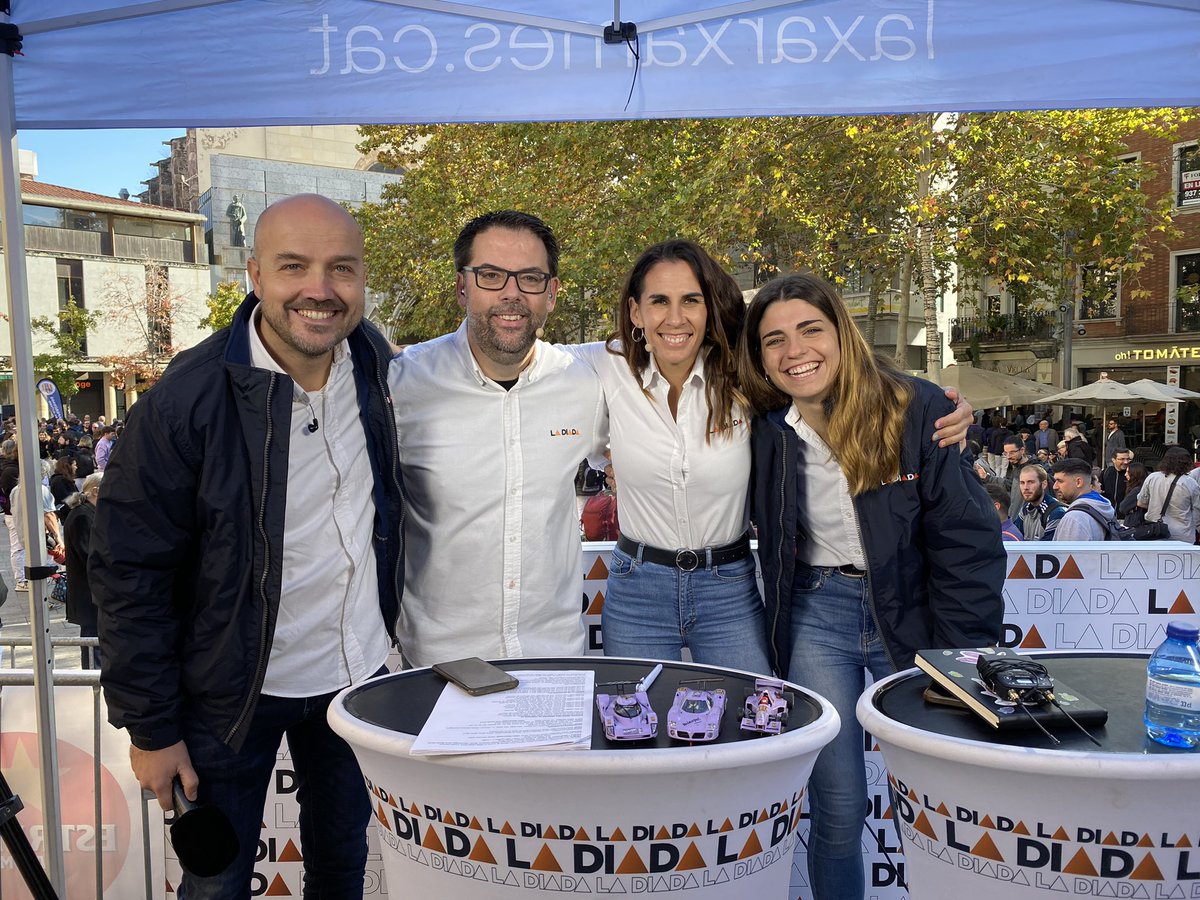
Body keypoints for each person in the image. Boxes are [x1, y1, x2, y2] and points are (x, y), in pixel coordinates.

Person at [91, 193, 406, 898]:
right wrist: (151, 728)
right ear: (255, 275)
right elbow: (129, 571)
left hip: (351, 681)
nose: (319, 290)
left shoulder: (376, 365)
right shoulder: (185, 402)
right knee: (215, 885)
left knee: (342, 871)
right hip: (225, 697)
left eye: (341, 269)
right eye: (294, 266)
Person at [738, 273, 1004, 900]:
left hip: (911, 617)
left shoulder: (918, 409)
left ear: (842, 333)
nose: (793, 350)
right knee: (837, 805)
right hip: (815, 615)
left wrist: (963, 660)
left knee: (948, 801)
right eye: (773, 339)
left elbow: (967, 545)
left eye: (810, 329)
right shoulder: (763, 427)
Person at [390, 210, 605, 667]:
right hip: (438, 660)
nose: (511, 294)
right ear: (461, 286)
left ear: (551, 293)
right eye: (491, 275)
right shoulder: (402, 383)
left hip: (555, 654)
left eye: (529, 278)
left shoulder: (586, 380)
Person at [64, 472, 102, 668]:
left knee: (96, 642)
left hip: (92, 592)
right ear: (95, 491)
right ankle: (91, 683)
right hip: (87, 593)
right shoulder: (82, 515)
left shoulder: (88, 512)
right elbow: (90, 555)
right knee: (91, 643)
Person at [1136, 446, 1200, 544]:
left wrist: (1155, 505)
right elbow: (1197, 512)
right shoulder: (1190, 482)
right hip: (1182, 534)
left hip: (1155, 531)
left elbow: (1141, 503)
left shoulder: (1152, 477)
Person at [1051, 458, 1116, 540]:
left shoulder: (1075, 518)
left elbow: (1068, 553)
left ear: (1078, 482)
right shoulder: (1102, 506)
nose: (1055, 486)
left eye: (1060, 481)